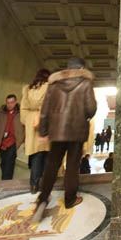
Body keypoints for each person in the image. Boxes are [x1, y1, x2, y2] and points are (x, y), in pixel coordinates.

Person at [31, 56, 97, 222]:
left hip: (57, 131)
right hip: (77, 131)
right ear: (81, 68)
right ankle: (70, 199)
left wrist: (43, 131)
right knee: (73, 166)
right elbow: (91, 108)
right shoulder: (85, 83)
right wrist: (84, 116)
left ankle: (42, 200)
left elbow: (45, 110)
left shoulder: (54, 84)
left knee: (52, 166)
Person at [20, 69, 50, 193]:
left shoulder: (27, 90)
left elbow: (23, 110)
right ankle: (45, 183)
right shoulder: (50, 87)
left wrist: (28, 121)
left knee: (36, 155)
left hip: (32, 122)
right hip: (46, 120)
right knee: (47, 155)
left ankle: (34, 185)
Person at [0, 94, 25, 180]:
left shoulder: (22, 112)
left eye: (11, 102)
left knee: (9, 163)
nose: (9, 105)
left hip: (14, 142)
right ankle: (6, 182)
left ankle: (5, 184)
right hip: (2, 142)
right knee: (3, 164)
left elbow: (26, 127)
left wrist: (25, 141)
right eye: (8, 103)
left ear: (15, 102)